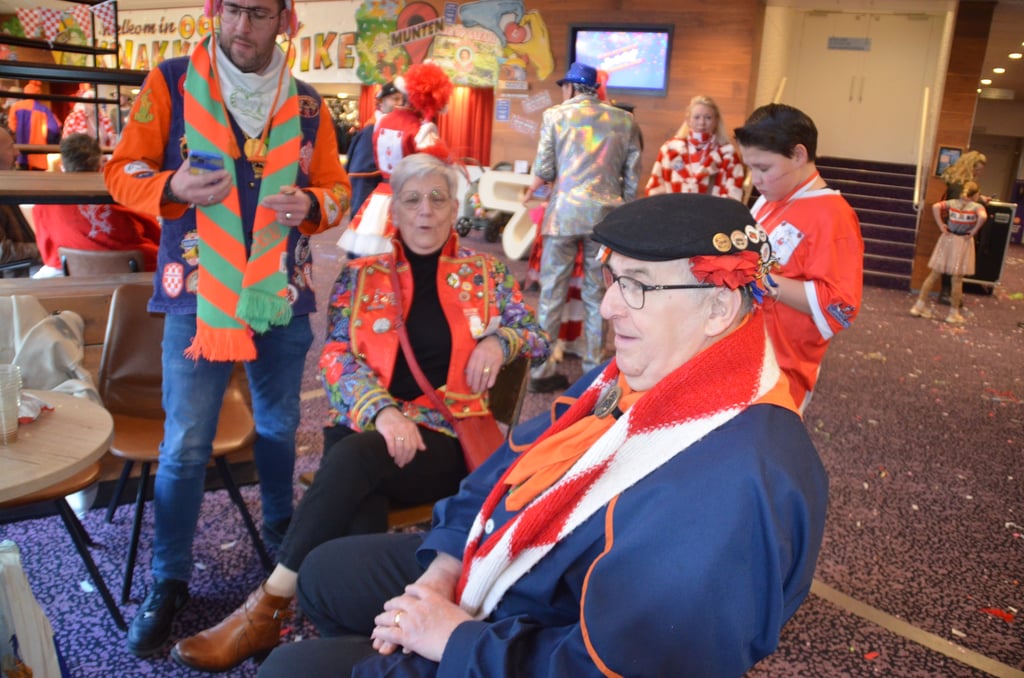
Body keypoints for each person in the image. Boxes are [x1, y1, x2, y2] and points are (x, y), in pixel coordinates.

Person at [257, 192, 829, 677]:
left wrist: (455, 640)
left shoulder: (730, 484)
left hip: (531, 633)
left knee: (288, 670)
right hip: (505, 559)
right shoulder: (650, 371)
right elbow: (510, 468)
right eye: (611, 278)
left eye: (637, 285)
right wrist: (445, 567)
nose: (607, 306)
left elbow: (619, 665)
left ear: (720, 306)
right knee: (324, 574)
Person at [170, 153, 551, 672]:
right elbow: (335, 356)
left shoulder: (487, 273)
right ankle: (356, 650)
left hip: (445, 438)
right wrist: (383, 413)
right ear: (394, 210)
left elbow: (535, 335)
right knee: (359, 503)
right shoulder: (360, 276)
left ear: (454, 208)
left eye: (437, 199)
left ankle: (268, 605)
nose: (425, 210)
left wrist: (499, 341)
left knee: (353, 460)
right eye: (412, 199)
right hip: (368, 427)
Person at [103, 0, 351, 658]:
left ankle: (281, 545)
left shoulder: (308, 104)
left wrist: (313, 202)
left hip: (281, 294)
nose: (243, 26)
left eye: (259, 12)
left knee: (279, 427)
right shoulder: (170, 81)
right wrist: (170, 186)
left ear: (284, 19)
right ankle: (169, 578)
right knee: (185, 445)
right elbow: (121, 171)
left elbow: (337, 188)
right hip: (197, 297)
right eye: (233, 9)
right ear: (216, 10)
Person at [734, 103, 863, 412]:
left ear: (799, 155)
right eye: (751, 168)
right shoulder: (771, 199)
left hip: (782, 368)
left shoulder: (832, 215)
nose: (756, 179)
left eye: (764, 168)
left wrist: (759, 277)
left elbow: (841, 306)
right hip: (748, 351)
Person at [524, 61, 641, 393]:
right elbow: (632, 178)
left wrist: (530, 191)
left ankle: (541, 370)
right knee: (597, 294)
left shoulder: (555, 116)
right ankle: (594, 371)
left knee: (551, 293)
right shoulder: (625, 120)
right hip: (604, 220)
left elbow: (544, 169)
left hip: (562, 217)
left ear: (571, 87)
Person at [339, 65, 453, 258]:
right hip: (410, 199)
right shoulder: (421, 130)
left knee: (373, 255)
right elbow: (435, 171)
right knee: (405, 256)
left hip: (381, 197)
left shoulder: (382, 122)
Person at [31, 134, 160, 278]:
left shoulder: (45, 204)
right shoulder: (127, 199)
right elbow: (158, 236)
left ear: (63, 166)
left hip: (71, 274)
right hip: (132, 274)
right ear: (101, 166)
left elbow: (48, 253)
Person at [910, 180, 987, 325]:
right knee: (957, 279)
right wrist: (974, 231)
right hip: (963, 242)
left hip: (947, 239)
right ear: (975, 194)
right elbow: (983, 217)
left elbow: (936, 206)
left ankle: (918, 306)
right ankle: (953, 313)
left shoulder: (952, 203)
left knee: (934, 274)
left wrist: (941, 225)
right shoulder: (977, 207)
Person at [645, 94, 745, 200]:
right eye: (697, 117)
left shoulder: (727, 154)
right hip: (673, 210)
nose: (702, 122)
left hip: (712, 210)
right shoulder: (669, 149)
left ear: (716, 120)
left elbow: (734, 196)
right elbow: (655, 189)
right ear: (688, 120)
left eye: (708, 118)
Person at [345, 80, 403, 217]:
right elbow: (361, 179)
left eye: (402, 99)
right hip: (374, 207)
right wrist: (360, 217)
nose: (400, 104)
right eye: (395, 99)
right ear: (381, 103)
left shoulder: (393, 129)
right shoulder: (371, 131)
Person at [0, 127, 40, 274]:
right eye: (11, 147)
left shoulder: (4, 184)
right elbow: (2, 252)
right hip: (14, 277)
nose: (17, 153)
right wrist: (43, 250)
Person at [8, 80, 61, 171]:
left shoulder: (16, 107)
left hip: (21, 154)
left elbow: (12, 128)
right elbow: (54, 129)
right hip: (38, 154)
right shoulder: (44, 109)